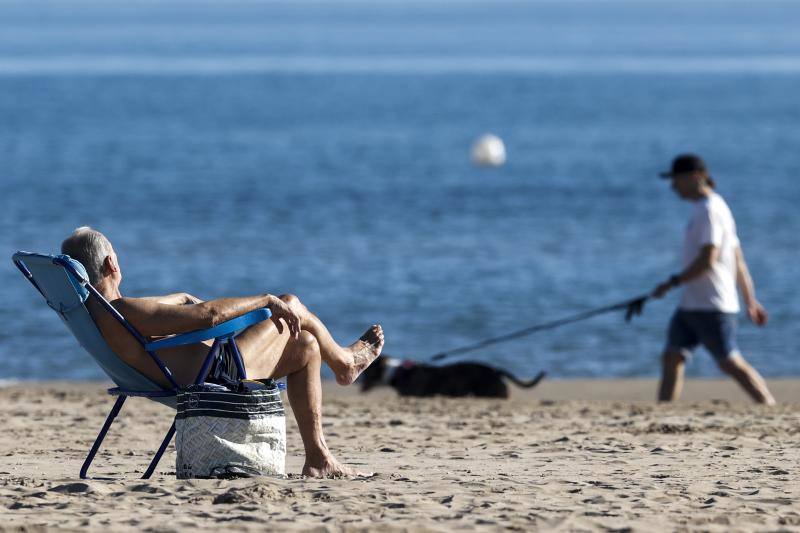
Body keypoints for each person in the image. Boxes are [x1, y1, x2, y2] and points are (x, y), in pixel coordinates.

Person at [61, 226, 385, 477]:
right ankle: (344, 363)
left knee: (305, 346)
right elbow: (208, 316)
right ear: (111, 263)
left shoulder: (100, 313)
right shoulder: (123, 310)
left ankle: (318, 459)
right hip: (217, 371)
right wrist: (264, 300)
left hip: (188, 371)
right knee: (289, 303)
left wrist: (181, 298)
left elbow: (173, 310)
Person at [652, 154, 775, 405]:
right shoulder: (714, 207)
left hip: (712, 304)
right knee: (672, 356)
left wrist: (672, 283)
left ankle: (768, 406)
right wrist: (751, 301)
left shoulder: (709, 210)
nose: (673, 186)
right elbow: (738, 259)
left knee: (730, 362)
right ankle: (662, 412)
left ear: (695, 177)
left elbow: (709, 259)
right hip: (691, 304)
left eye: (677, 180)